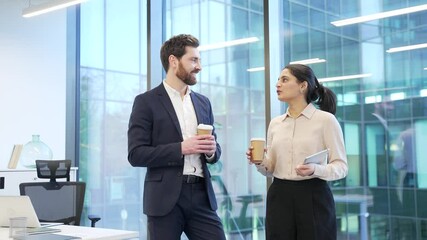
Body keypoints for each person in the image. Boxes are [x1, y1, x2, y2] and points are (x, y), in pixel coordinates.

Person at [127, 34, 226, 240]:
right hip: (164, 199)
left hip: (201, 196)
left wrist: (211, 151)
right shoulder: (146, 102)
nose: (199, 66)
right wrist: (181, 148)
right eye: (193, 60)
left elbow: (215, 151)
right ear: (173, 61)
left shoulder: (203, 102)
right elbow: (136, 154)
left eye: (199, 60)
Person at [246, 64, 348, 240]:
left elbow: (341, 167)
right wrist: (260, 161)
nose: (278, 84)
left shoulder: (326, 121)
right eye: (278, 80)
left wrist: (316, 170)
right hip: (279, 195)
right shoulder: (276, 123)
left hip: (313, 196)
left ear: (303, 86)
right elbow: (270, 169)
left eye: (284, 80)